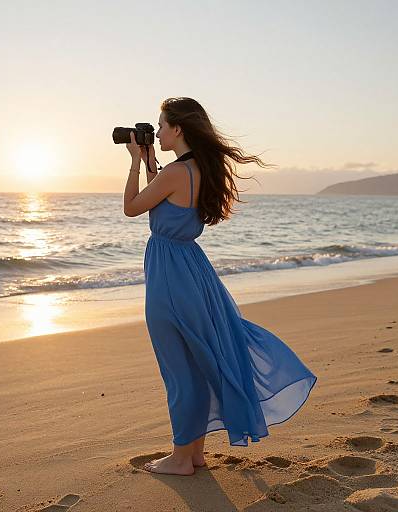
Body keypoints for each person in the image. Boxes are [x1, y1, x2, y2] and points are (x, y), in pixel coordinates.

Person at [123, 97, 317, 476]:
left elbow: (132, 207)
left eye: (162, 126)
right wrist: (150, 166)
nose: (158, 132)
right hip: (192, 269)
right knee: (194, 361)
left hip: (170, 274)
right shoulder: (196, 169)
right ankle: (193, 453)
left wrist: (133, 162)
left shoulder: (176, 172)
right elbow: (162, 203)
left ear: (178, 129)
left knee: (178, 368)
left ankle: (181, 458)